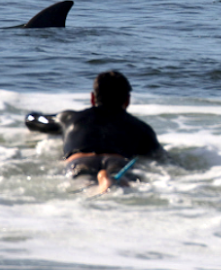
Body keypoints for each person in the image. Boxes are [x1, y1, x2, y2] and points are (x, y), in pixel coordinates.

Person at [25, 70, 164, 193]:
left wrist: (35, 117)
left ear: (93, 98)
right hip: (117, 160)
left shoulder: (68, 118)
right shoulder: (140, 128)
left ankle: (98, 184)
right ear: (127, 100)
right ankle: (107, 179)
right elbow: (160, 158)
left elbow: (32, 120)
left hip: (80, 160)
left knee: (84, 184)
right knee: (121, 185)